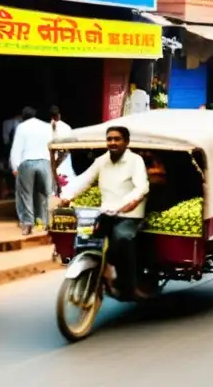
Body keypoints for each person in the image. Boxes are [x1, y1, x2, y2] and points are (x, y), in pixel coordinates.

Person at [60, 126, 149, 300]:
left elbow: (142, 187)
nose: (113, 143)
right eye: (110, 139)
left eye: (117, 139)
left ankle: (128, 286)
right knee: (87, 238)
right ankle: (100, 269)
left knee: (122, 238)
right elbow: (84, 180)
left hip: (129, 214)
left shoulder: (135, 160)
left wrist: (126, 204)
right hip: (106, 212)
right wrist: (65, 196)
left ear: (126, 142)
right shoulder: (102, 161)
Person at [10, 107, 53, 236]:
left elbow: (17, 147)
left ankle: (27, 224)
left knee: (25, 195)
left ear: (23, 116)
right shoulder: (46, 126)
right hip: (45, 161)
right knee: (43, 194)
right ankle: (43, 223)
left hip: (27, 162)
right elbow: (52, 145)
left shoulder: (21, 127)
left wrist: (14, 166)